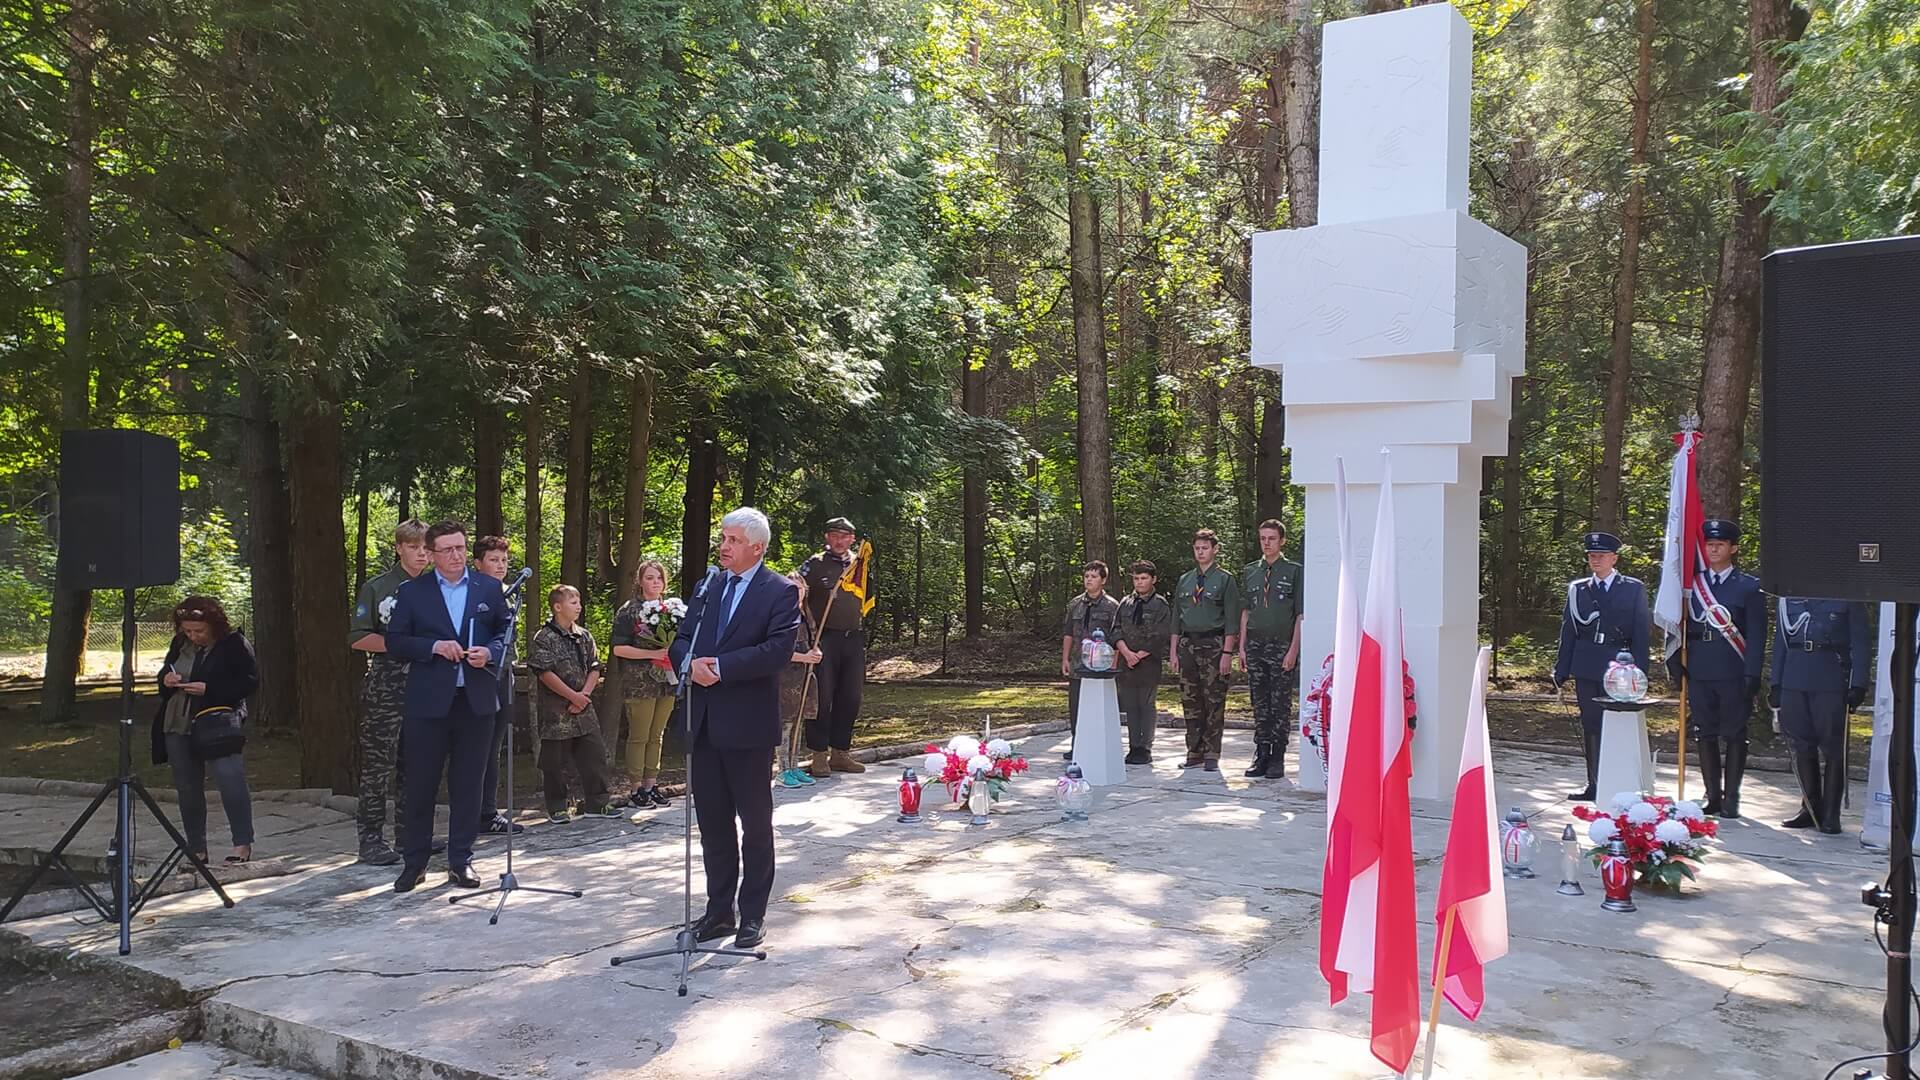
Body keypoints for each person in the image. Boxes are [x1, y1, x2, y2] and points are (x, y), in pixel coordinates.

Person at [670, 507, 802, 951]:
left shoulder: (780, 591)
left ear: (757, 548)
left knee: (755, 824)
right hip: (704, 721)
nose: (723, 546)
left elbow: (777, 650)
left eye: (732, 540)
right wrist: (691, 664)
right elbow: (682, 639)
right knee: (713, 824)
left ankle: (753, 913)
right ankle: (719, 911)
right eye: (723, 538)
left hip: (748, 725)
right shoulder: (708, 586)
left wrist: (722, 667)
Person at [382, 520, 511, 893]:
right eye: (447, 549)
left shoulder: (488, 588)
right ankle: (415, 862)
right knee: (421, 784)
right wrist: (434, 647)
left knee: (468, 785)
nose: (456, 555)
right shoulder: (412, 592)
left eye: (460, 548)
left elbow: (505, 630)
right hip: (428, 703)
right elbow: (396, 642)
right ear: (432, 553)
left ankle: (461, 860)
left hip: (475, 700)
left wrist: (490, 652)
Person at [1669, 519, 1767, 818]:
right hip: (1699, 669)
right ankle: (1712, 795)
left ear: (1733, 548)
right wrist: (1674, 661)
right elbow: (1679, 625)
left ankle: (1731, 797)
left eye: (1720, 545)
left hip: (1733, 668)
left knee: (1734, 733)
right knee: (1705, 732)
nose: (1713, 549)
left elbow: (1757, 635)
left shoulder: (1749, 587)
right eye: (1709, 544)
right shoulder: (1691, 586)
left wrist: (1752, 672)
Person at [347, 519, 431, 866]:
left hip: (425, 685)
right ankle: (370, 839)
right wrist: (402, 645)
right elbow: (358, 637)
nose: (421, 554)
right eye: (413, 547)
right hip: (387, 686)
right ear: (399, 548)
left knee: (417, 765)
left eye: (426, 548)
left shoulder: (438, 589)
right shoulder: (378, 588)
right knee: (379, 767)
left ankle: (410, 836)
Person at [152, 597, 258, 865]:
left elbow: (249, 683)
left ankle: (242, 844)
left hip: (218, 723)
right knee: (187, 788)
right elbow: (166, 674)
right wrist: (166, 679)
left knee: (230, 779)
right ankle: (197, 848)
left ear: (214, 625)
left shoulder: (234, 644)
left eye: (198, 630)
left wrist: (209, 689)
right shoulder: (180, 644)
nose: (193, 636)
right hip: (178, 721)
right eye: (187, 630)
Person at [1552, 531, 1651, 801]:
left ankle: (1620, 783)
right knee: (1591, 723)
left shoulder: (1633, 588)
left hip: (1619, 666)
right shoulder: (1579, 590)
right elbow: (1569, 631)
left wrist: (1641, 672)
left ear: (1614, 558)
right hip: (1587, 663)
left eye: (1602, 556)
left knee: (1618, 723)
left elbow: (1641, 632)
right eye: (1592, 555)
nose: (1596, 560)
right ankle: (1594, 783)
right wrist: (1561, 668)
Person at [1770, 596, 1871, 834]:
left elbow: (1861, 643)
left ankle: (1831, 814)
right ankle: (1810, 809)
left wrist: (1858, 684)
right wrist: (1776, 683)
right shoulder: (1789, 599)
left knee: (1833, 747)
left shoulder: (1847, 598)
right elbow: (1781, 644)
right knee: (1802, 745)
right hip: (1794, 679)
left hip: (1830, 680)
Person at [528, 584, 621, 823]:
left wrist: (584, 696)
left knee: (594, 756)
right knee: (555, 762)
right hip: (556, 711)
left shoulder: (584, 635)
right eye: (573, 602)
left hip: (583, 708)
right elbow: (544, 673)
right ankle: (558, 807)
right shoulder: (544, 638)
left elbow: (594, 667)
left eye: (579, 602)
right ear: (557, 607)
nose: (578, 606)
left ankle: (598, 803)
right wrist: (572, 696)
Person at [798, 517, 868, 779]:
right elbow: (795, 587)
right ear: (827, 537)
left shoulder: (859, 564)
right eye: (834, 535)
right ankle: (818, 754)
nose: (839, 541)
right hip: (824, 637)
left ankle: (840, 752)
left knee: (850, 696)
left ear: (852, 539)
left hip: (853, 638)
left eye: (844, 536)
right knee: (821, 696)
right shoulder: (815, 564)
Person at [1170, 529, 1241, 772]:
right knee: (1190, 700)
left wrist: (1227, 653)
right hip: (1188, 644)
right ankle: (1194, 750)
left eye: (1205, 548)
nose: (1200, 552)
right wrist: (1173, 651)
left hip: (1214, 644)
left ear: (1215, 549)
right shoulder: (1185, 580)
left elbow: (1232, 620)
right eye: (1197, 548)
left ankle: (1212, 752)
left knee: (1214, 699)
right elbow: (1176, 618)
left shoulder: (1224, 580)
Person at [1239, 519, 1304, 780]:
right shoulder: (1250, 571)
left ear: (1282, 541)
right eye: (1263, 538)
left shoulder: (1294, 571)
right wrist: (1242, 647)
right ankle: (1262, 752)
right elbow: (1246, 611)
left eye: (1272, 538)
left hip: (1281, 644)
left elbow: (1300, 615)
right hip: (1255, 644)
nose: (1266, 543)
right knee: (1259, 701)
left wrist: (1293, 650)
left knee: (1280, 702)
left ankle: (1278, 755)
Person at [610, 559, 678, 809]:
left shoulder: (671, 609)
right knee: (639, 736)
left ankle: (651, 785)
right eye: (649, 578)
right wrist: (653, 654)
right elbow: (619, 648)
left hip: (666, 681)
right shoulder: (629, 611)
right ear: (640, 581)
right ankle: (636, 788)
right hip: (640, 682)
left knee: (657, 735)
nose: (655, 582)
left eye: (659, 578)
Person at [471, 535, 524, 835]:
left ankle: (488, 812)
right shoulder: (470, 592)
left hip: (504, 674)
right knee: (475, 746)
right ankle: (471, 811)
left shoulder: (509, 595)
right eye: (493, 560)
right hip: (480, 675)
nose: (501, 565)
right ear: (478, 563)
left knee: (494, 746)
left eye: (504, 560)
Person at [1113, 561, 1172, 764]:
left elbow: (1161, 634)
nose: (1139, 582)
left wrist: (1138, 655)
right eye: (1136, 578)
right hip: (1127, 664)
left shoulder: (1160, 604)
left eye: (1144, 578)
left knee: (1146, 706)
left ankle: (1145, 747)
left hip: (1148, 664)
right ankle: (1133, 746)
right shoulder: (1125, 602)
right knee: (1130, 706)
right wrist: (1126, 653)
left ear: (1153, 579)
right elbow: (1116, 630)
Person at [1061, 561, 1121, 761]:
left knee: (1098, 708)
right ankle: (1077, 745)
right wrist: (1065, 659)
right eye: (1087, 576)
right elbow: (1068, 633)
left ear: (1103, 580)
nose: (1089, 580)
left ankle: (1098, 746)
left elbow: (1116, 636)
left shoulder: (1112, 606)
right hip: (1078, 664)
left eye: (1094, 577)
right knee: (1076, 707)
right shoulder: (1075, 604)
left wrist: (1113, 663)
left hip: (1101, 666)